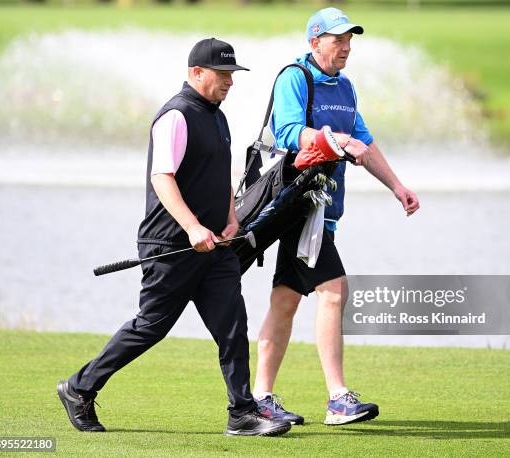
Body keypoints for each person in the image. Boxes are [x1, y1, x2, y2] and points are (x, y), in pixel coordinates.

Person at [57, 38, 291, 437]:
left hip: (214, 246)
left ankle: (242, 412)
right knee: (151, 326)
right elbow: (161, 178)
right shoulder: (176, 116)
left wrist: (231, 217)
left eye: (232, 75)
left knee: (233, 325)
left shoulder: (218, 117)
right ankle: (79, 388)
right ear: (196, 73)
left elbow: (218, 176)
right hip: (171, 245)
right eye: (222, 74)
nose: (229, 82)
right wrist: (193, 227)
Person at [253, 9, 420, 426]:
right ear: (315, 42)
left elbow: (364, 141)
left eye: (349, 39)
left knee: (286, 300)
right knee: (333, 290)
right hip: (297, 204)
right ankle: (337, 399)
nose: (346, 46)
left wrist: (397, 186)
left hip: (324, 210)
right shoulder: (295, 77)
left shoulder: (345, 87)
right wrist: (334, 139)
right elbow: (288, 131)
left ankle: (260, 396)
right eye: (337, 39)